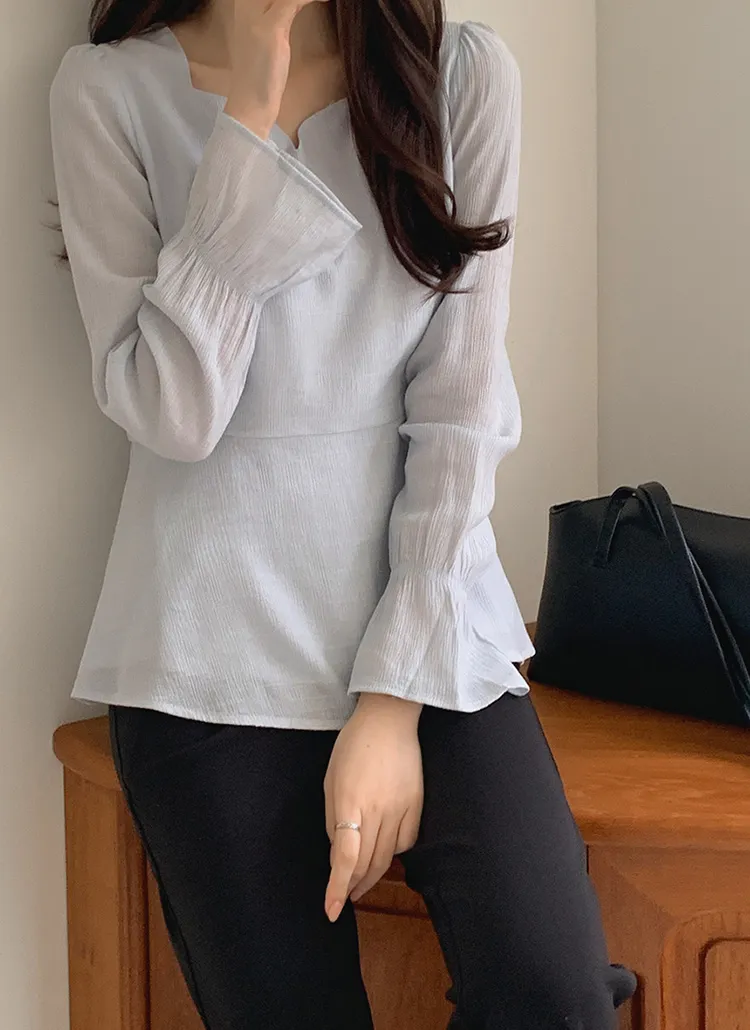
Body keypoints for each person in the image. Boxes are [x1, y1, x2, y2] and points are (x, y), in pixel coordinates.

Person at [49, 0, 637, 1026]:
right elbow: (174, 416)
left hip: (431, 626)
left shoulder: (459, 75)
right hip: (205, 656)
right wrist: (248, 121)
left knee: (554, 992)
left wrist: (392, 701)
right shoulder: (105, 92)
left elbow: (460, 413)